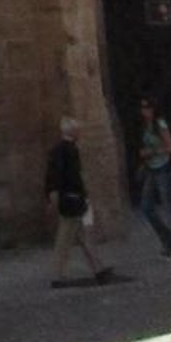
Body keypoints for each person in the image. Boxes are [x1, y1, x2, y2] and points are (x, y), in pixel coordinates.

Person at [43, 117, 114, 287]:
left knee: (81, 236)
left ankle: (98, 269)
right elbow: (68, 177)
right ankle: (57, 276)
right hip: (72, 198)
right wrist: (78, 194)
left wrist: (51, 195)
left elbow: (51, 177)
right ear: (73, 131)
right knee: (65, 238)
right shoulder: (69, 151)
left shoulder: (57, 150)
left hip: (68, 198)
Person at [135, 95, 171, 255]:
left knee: (169, 209)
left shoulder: (160, 124)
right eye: (143, 107)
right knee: (146, 207)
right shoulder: (145, 126)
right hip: (151, 168)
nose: (145, 111)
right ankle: (168, 240)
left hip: (163, 168)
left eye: (148, 107)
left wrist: (152, 151)